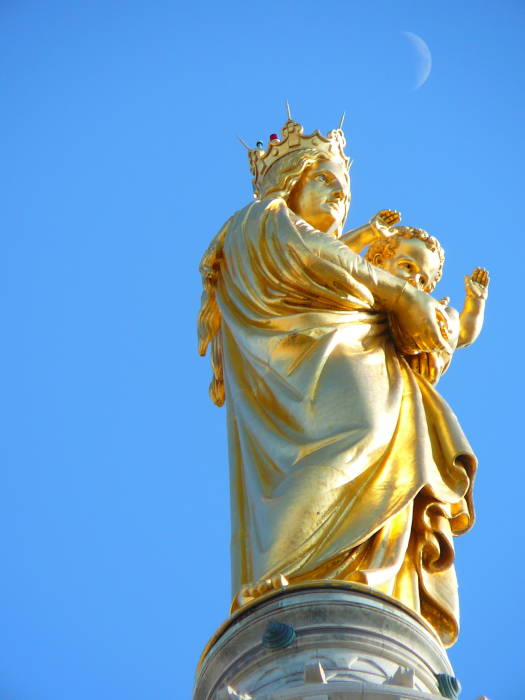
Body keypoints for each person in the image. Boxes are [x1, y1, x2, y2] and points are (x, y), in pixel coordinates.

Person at [198, 117, 476, 647]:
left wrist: (415, 305)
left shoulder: (336, 259)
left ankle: (372, 584)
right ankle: (285, 572)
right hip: (314, 372)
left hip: (362, 359)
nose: (338, 197)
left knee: (393, 464)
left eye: (344, 191)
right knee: (356, 440)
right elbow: (321, 259)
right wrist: (399, 294)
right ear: (291, 182)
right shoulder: (259, 223)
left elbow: (341, 265)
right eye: (324, 180)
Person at [343, 219, 489, 383]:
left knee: (450, 315)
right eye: (407, 267)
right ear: (377, 261)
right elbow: (332, 256)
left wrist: (476, 301)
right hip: (343, 356)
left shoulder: (411, 327)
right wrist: (367, 233)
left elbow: (462, 335)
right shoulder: (356, 289)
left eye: (422, 281)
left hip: (389, 380)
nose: (414, 280)